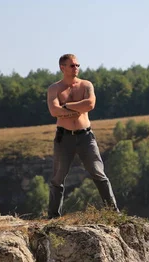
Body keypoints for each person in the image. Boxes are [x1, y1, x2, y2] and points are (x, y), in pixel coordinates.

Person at [46, 53, 119, 218]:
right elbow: (53, 111)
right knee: (58, 177)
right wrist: (77, 108)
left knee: (98, 173)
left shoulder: (86, 85)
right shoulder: (54, 89)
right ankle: (53, 217)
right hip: (64, 138)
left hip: (86, 137)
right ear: (62, 68)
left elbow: (90, 104)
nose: (76, 68)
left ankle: (113, 212)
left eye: (77, 65)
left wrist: (65, 107)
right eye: (72, 66)